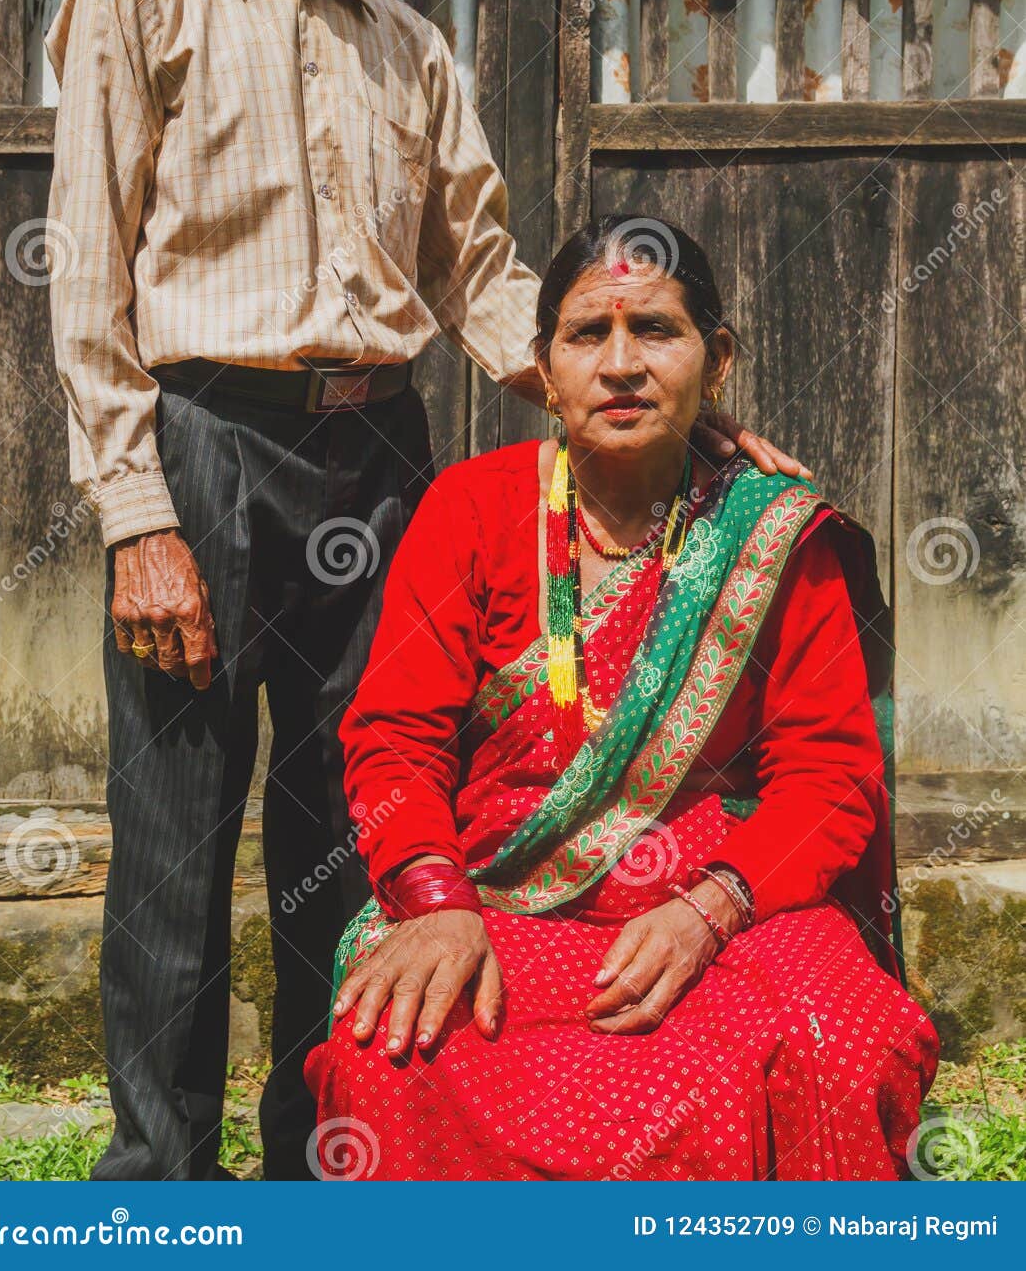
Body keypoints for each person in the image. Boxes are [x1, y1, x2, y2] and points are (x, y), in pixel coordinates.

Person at [45, 0, 802, 1182]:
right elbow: (89, 289)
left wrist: (671, 416)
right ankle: (158, 1185)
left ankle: (312, 1156)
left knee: (349, 830)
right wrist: (138, 520)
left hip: (380, 452)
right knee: (177, 840)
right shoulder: (137, 3)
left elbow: (484, 282)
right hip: (201, 442)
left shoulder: (410, 46)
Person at [304, 215, 939, 1181]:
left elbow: (828, 780)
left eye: (655, 329)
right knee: (394, 1056)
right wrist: (435, 902)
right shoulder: (471, 508)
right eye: (587, 335)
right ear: (544, 369)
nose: (621, 363)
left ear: (714, 360)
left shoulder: (772, 536)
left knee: (838, 1046)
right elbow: (395, 738)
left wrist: (709, 908)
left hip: (732, 902)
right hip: (500, 895)